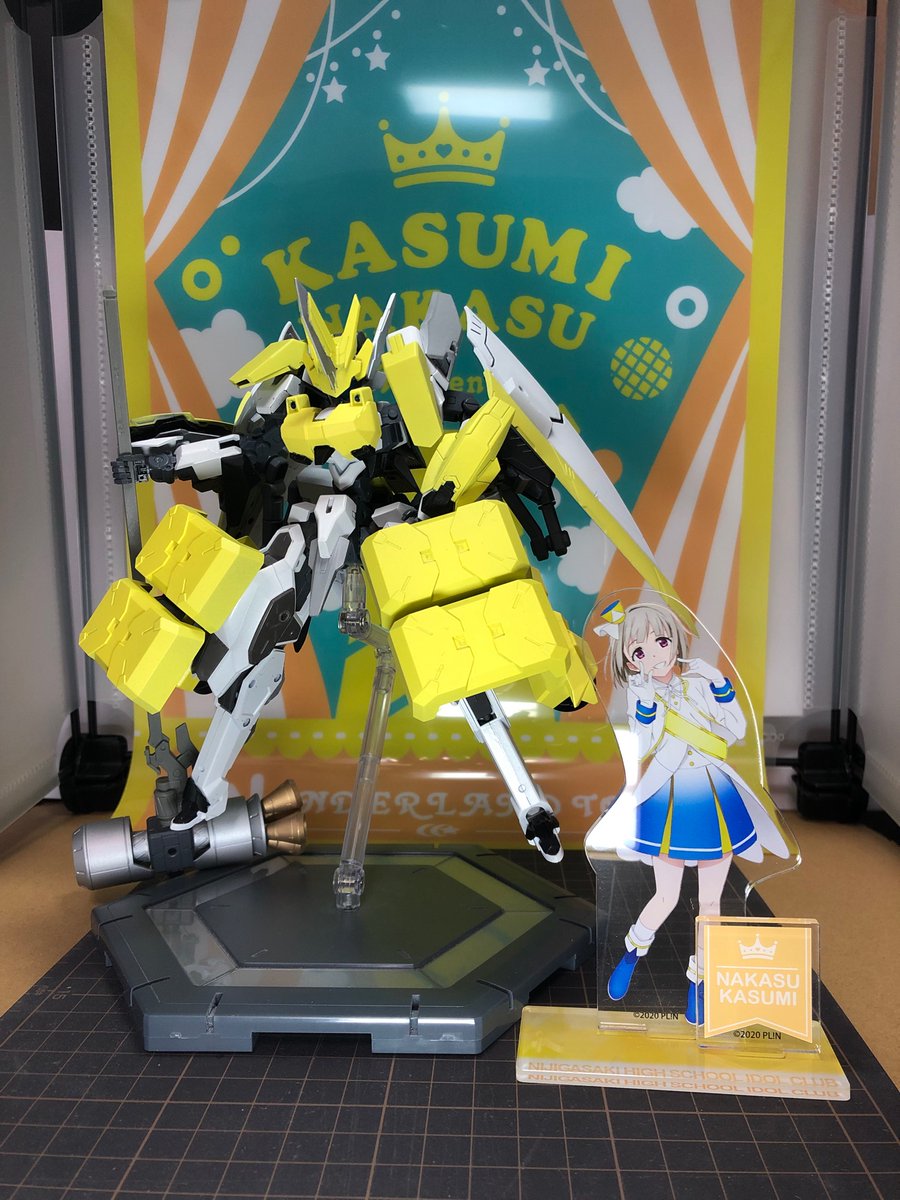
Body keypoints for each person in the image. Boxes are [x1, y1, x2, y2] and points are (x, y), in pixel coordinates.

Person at [584, 600, 791, 1023]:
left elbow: (736, 730)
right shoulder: (641, 693)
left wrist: (717, 682)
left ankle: (699, 982)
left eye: (661, 642)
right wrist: (646, 702)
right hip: (670, 798)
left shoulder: (698, 682)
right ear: (630, 660)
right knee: (666, 895)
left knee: (712, 901)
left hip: (714, 794)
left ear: (675, 641)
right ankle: (630, 954)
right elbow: (643, 745)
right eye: (639, 650)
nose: (655, 655)